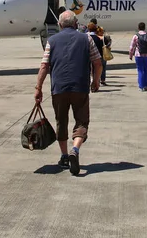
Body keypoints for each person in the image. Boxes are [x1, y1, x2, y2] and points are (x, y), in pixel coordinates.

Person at [34, 10, 102, 176]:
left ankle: (64, 156)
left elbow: (44, 66)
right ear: (76, 23)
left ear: (59, 25)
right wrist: (96, 80)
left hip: (59, 88)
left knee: (61, 121)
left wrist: (38, 88)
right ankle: (75, 150)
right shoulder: (86, 39)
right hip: (80, 86)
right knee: (81, 122)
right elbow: (98, 62)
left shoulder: (52, 41)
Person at [129, 22, 147, 91]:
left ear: (138, 28)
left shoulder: (136, 36)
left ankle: (141, 86)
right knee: (146, 71)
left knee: (140, 71)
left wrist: (131, 55)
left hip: (138, 55)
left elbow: (132, 47)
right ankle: (145, 86)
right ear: (144, 28)